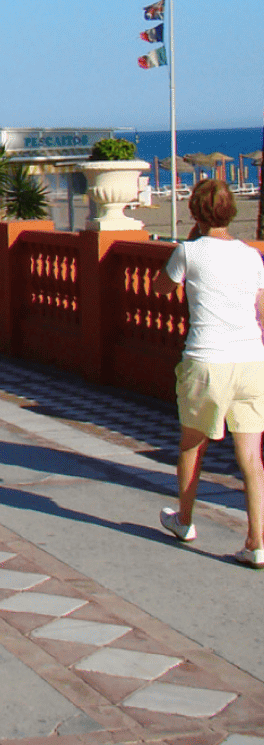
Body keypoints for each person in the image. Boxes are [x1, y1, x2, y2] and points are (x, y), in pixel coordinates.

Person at [152, 178, 264, 567]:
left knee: (192, 444)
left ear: (195, 214)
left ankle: (184, 521)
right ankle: (256, 541)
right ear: (230, 212)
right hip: (251, 360)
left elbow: (160, 289)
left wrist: (187, 243)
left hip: (207, 361)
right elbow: (260, 311)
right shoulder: (252, 256)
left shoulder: (189, 253)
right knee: (251, 457)